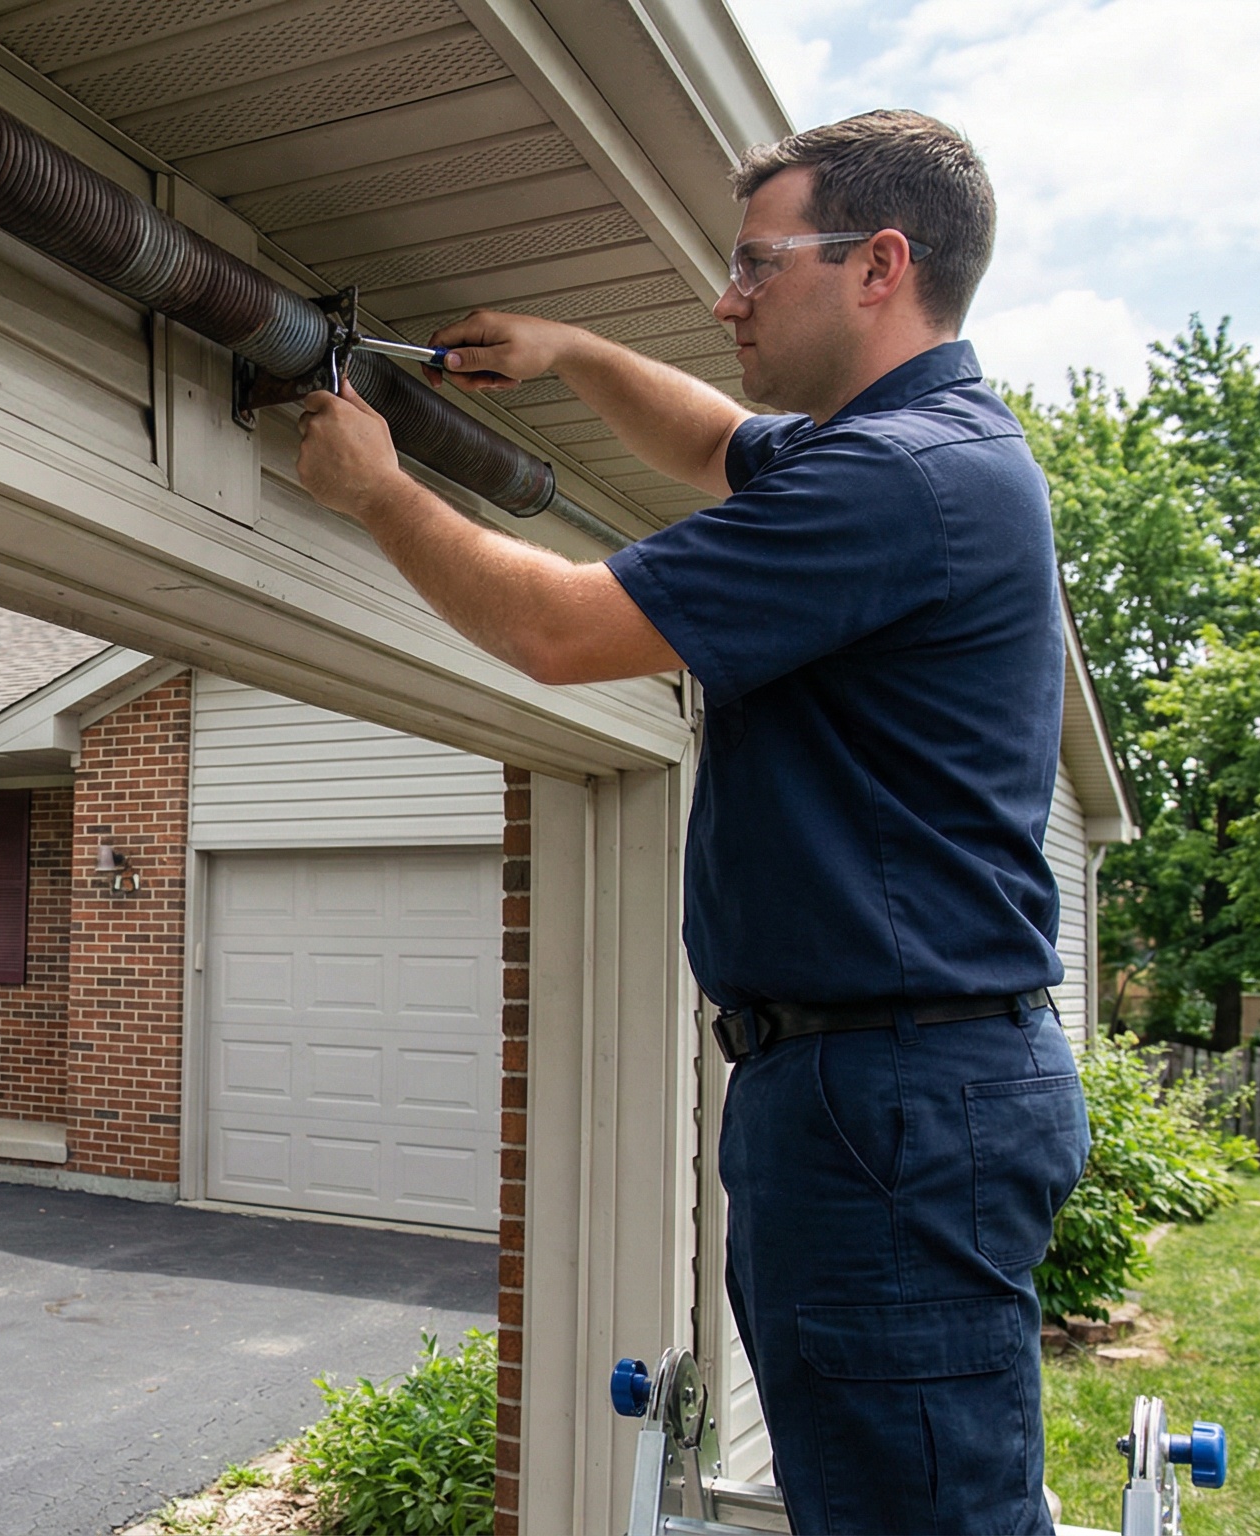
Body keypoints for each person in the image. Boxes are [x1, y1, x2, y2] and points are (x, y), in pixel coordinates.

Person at [292, 110, 1088, 1535]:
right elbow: (718, 441)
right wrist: (576, 355)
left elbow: (552, 628)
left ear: (878, 265)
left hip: (893, 1097)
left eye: (755, 266)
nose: (725, 299)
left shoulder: (895, 482)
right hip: (885, 1087)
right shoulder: (907, 452)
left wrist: (377, 489)